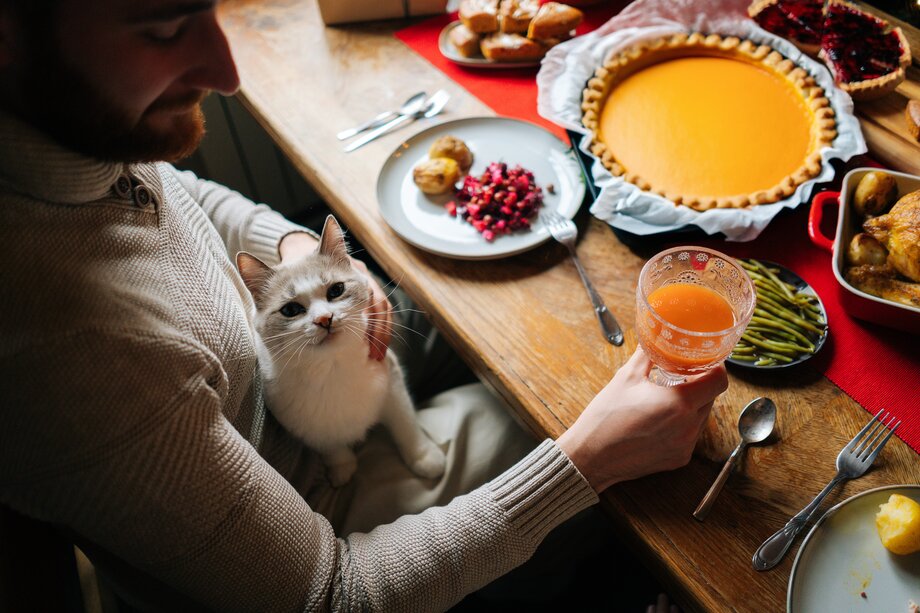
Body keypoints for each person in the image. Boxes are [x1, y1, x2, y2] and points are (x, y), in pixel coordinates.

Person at [0, 0, 728, 611]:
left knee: (493, 308)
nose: (225, 72)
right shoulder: (65, 355)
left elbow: (183, 193)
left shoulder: (77, 135)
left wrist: (292, 253)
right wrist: (586, 459)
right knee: (579, 426)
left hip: (285, 364)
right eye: (162, 30)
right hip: (315, 509)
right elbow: (331, 594)